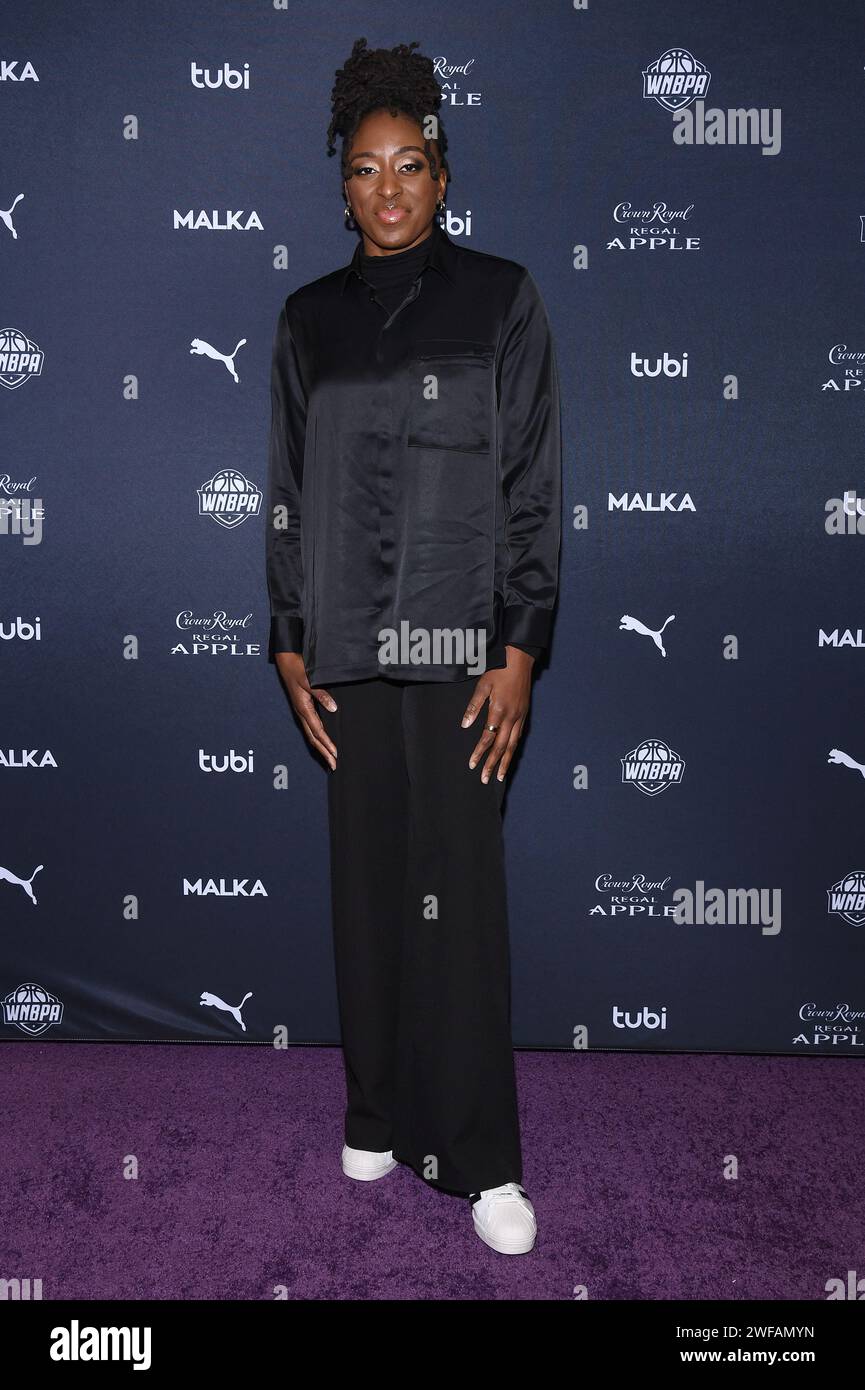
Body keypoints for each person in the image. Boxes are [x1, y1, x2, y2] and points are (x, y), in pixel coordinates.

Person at [265, 36, 562, 1255]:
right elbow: (284, 486)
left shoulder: (501, 298)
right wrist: (288, 638)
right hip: (343, 648)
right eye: (363, 170)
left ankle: (483, 1158)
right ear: (341, 185)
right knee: (368, 890)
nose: (386, 190)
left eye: (408, 166)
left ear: (442, 173)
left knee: (460, 901)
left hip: (457, 648)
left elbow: (532, 482)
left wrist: (521, 645)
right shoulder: (305, 320)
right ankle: (377, 1110)